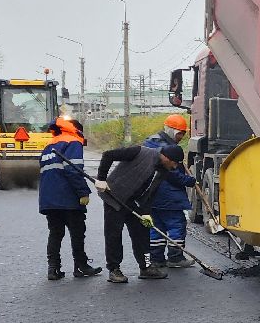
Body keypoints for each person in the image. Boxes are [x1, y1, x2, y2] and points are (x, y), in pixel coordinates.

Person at [96, 141, 184, 283]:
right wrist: (101, 179)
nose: (174, 167)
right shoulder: (139, 152)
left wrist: (146, 212)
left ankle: (146, 267)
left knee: (142, 235)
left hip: (134, 203)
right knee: (114, 235)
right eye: (174, 163)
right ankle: (114, 269)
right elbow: (108, 155)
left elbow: (151, 193)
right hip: (114, 197)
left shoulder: (162, 170)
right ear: (167, 157)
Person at [37, 117, 101, 280]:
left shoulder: (49, 145)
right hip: (68, 197)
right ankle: (80, 266)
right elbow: (73, 170)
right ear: (77, 130)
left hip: (49, 198)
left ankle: (53, 269)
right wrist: (83, 192)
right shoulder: (72, 142)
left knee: (55, 233)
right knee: (77, 232)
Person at [142, 114, 197, 267]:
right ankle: (175, 258)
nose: (181, 137)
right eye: (180, 133)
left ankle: (156, 259)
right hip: (167, 195)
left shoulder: (151, 142)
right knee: (176, 225)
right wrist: (188, 181)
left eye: (183, 134)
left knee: (157, 227)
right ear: (172, 130)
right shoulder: (163, 148)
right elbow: (170, 173)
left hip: (152, 195)